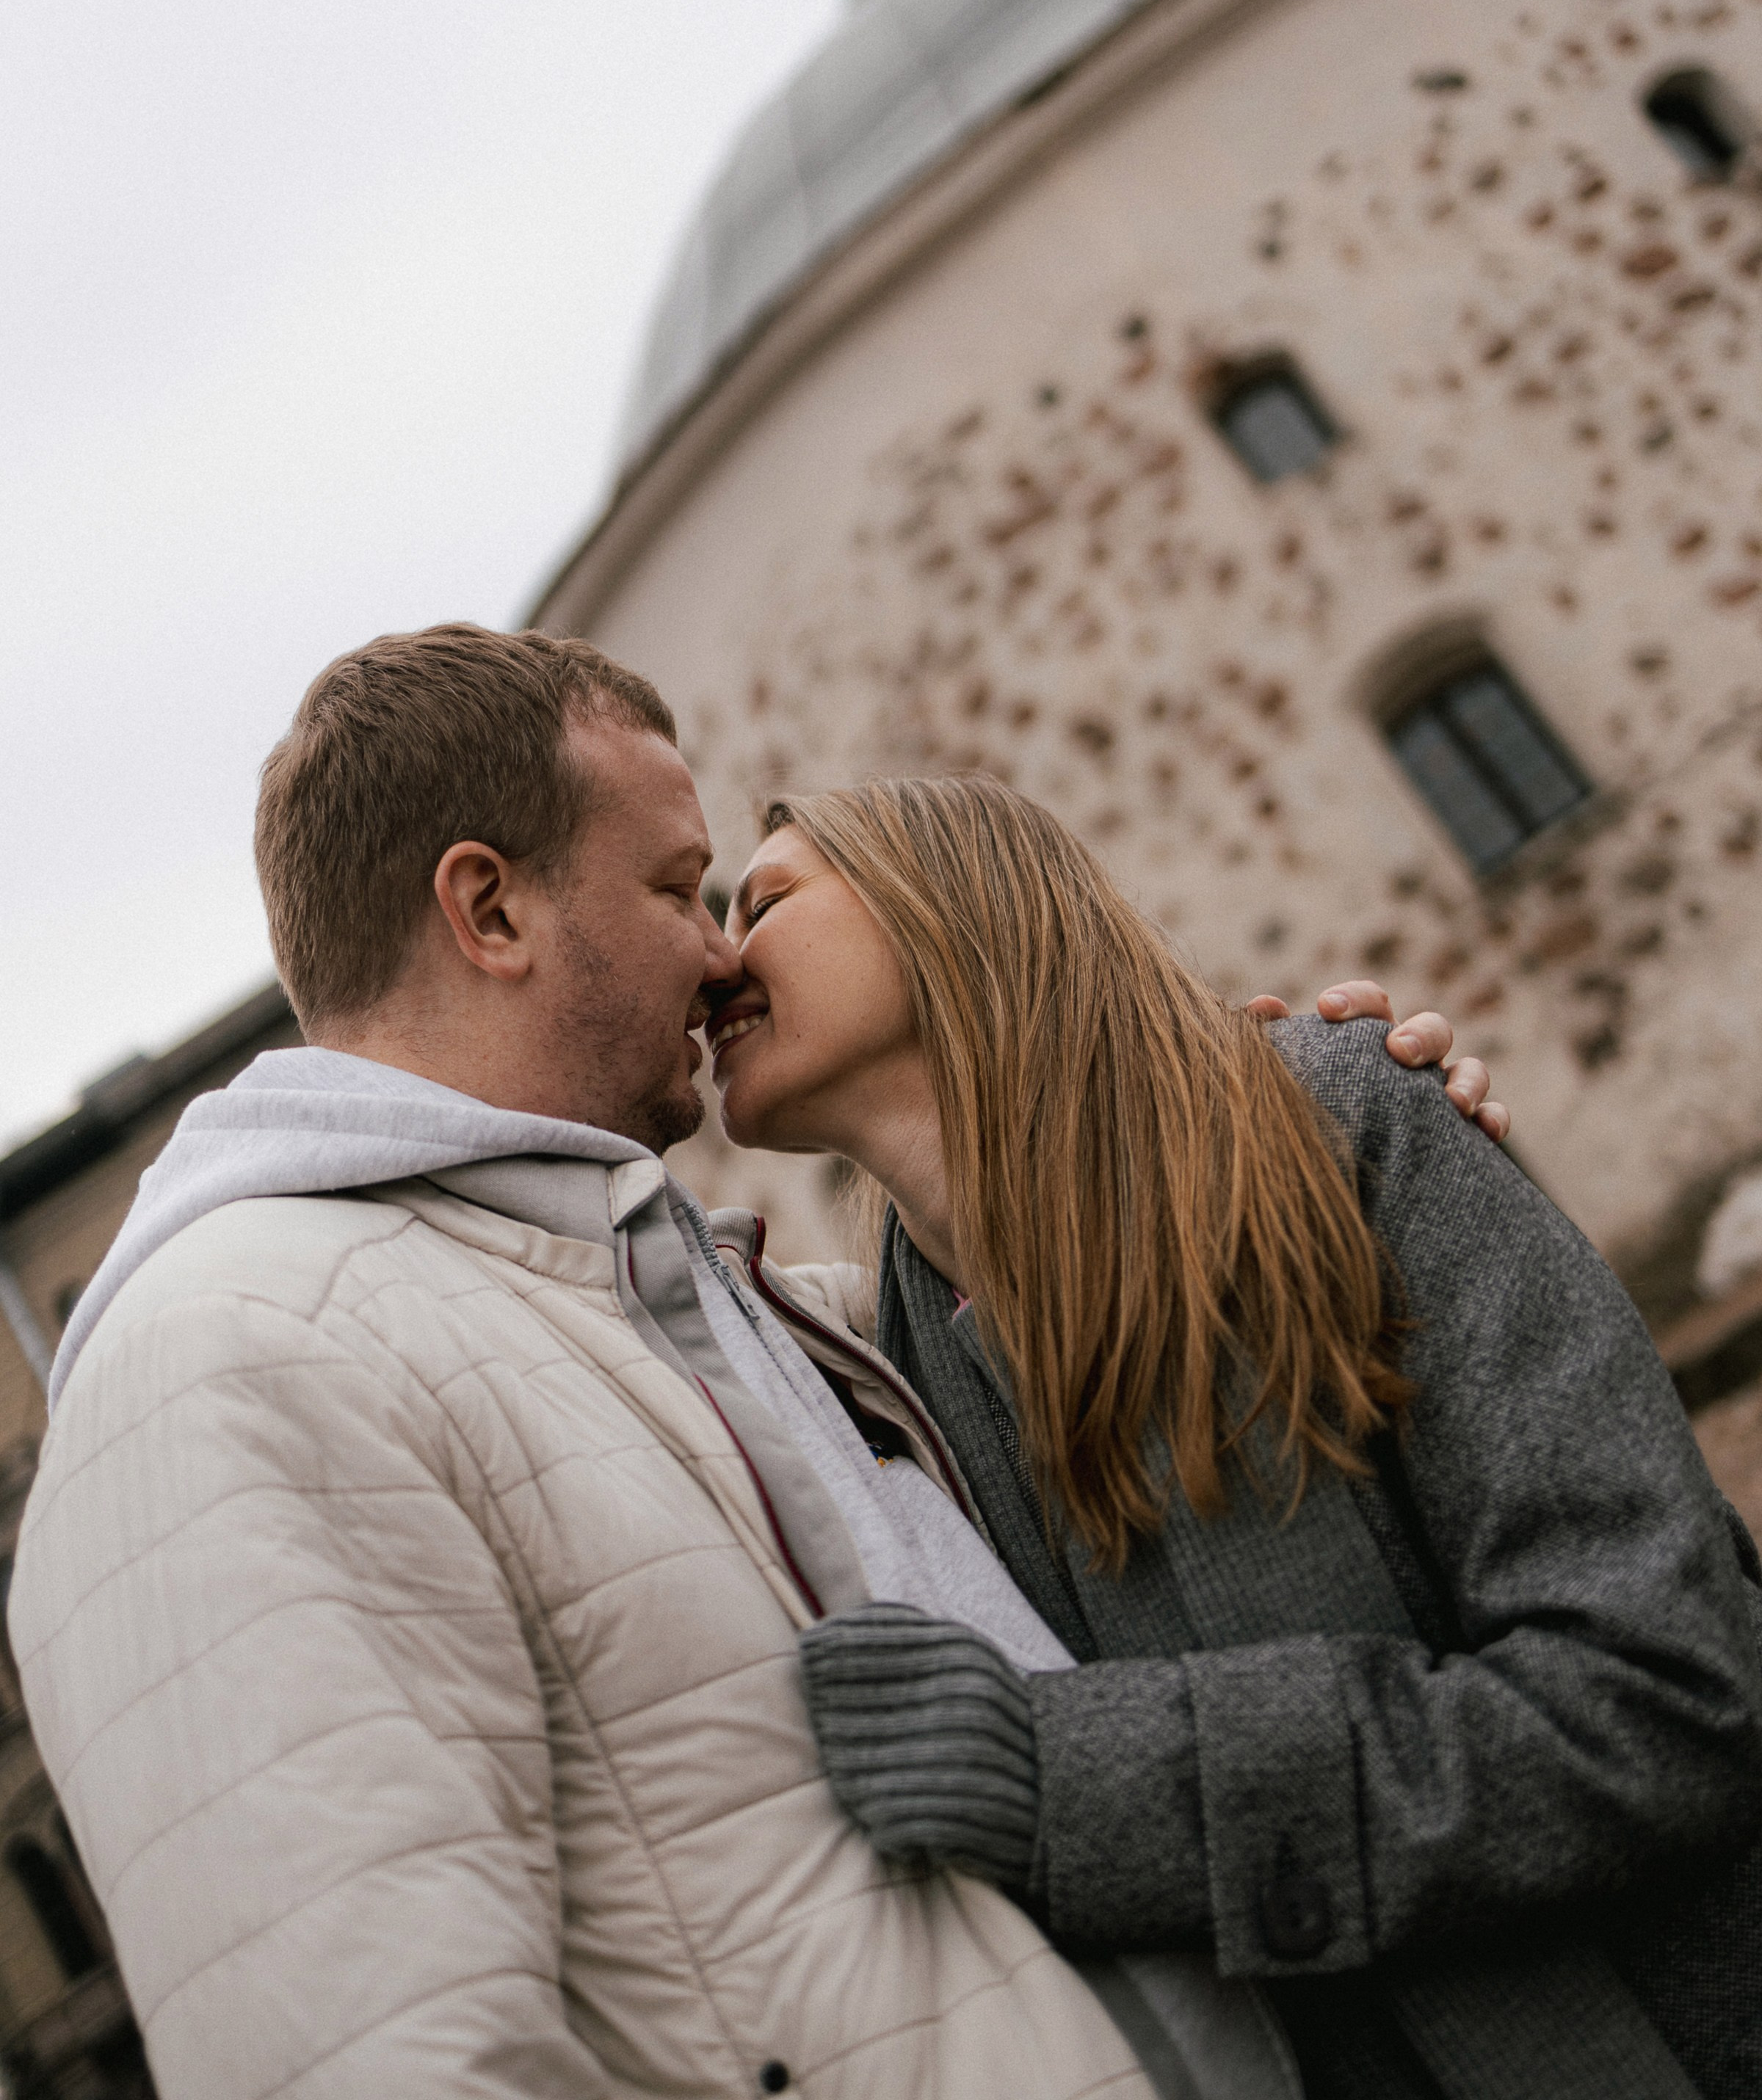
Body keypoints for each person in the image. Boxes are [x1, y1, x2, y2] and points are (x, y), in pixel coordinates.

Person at [12, 625, 1481, 2100]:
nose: (721, 952)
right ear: (491, 909)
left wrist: (1284, 1121)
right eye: (673, 887)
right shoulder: (225, 1358)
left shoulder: (715, 1303)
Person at [706, 771, 1762, 2100]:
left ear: (948, 908)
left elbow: (1668, 1697)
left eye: (766, 899)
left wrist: (1076, 1782)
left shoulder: (1340, 1126)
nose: (715, 951)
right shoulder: (897, 1373)